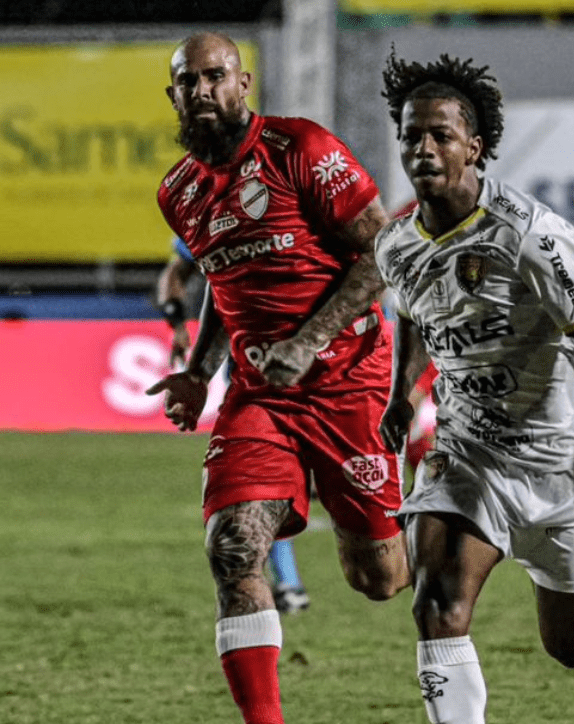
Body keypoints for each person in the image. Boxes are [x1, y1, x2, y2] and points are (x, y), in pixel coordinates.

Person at [145, 32, 410, 724]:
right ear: (172, 96)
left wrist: (309, 340)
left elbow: (381, 253)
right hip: (259, 396)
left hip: (349, 385)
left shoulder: (302, 151)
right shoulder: (178, 193)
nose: (202, 91)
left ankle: (453, 516)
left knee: (379, 578)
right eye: (188, 82)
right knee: (233, 547)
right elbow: (220, 282)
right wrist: (199, 371)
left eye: (215, 77)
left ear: (244, 83)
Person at [375, 52, 574, 724]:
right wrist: (403, 392)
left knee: (572, 650)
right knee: (437, 603)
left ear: (475, 146)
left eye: (440, 135)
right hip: (467, 454)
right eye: (410, 136)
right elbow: (412, 316)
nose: (422, 148)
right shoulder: (397, 245)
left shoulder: (531, 236)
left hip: (555, 461)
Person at [154, 235, 311, 614]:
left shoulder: (315, 199)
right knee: (260, 478)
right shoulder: (217, 215)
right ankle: (289, 584)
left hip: (331, 363)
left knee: (375, 568)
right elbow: (175, 273)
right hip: (252, 369)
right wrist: (178, 325)